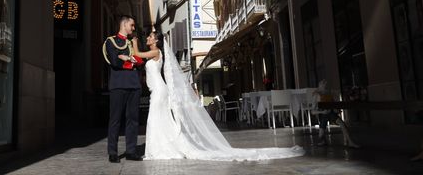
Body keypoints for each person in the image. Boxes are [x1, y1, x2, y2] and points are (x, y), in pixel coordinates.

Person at [130, 30, 305, 160]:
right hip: (158, 91)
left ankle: (160, 149)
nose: (148, 38)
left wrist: (134, 41)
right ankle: (162, 147)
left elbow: (137, 53)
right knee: (159, 119)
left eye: (150, 37)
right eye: (148, 37)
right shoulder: (154, 54)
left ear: (157, 41)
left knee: (155, 118)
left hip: (159, 91)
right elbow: (137, 58)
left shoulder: (156, 52)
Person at [102, 15, 144, 163]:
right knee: (115, 119)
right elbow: (114, 61)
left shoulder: (132, 42)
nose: (133, 28)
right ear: (124, 24)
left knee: (133, 119)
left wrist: (126, 59)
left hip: (134, 85)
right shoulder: (111, 41)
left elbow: (140, 60)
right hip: (118, 85)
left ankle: (131, 151)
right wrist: (127, 60)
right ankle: (112, 152)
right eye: (132, 25)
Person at [312, 79, 360, 148]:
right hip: (323, 115)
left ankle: (350, 142)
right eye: (323, 84)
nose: (325, 86)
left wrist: (336, 110)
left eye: (326, 85)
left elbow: (333, 105)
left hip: (331, 113)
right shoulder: (316, 95)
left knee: (342, 124)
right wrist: (322, 112)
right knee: (321, 138)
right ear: (319, 85)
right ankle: (323, 140)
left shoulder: (329, 93)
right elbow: (313, 111)